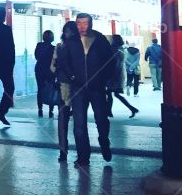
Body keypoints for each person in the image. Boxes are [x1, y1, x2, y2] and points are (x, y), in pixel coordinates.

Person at [63, 12, 114, 166]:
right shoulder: (71, 42)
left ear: (91, 23)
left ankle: (103, 140)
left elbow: (109, 61)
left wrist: (104, 79)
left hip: (97, 87)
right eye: (79, 23)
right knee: (79, 124)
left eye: (85, 23)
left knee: (101, 119)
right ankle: (83, 157)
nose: (82, 26)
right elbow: (64, 61)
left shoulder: (100, 40)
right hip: (78, 87)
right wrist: (72, 76)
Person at [51, 22, 78, 162]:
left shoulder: (60, 48)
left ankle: (63, 151)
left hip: (64, 85)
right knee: (79, 120)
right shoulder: (82, 48)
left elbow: (52, 68)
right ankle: (80, 154)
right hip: (78, 85)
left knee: (63, 119)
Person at [107, 34, 138, 118]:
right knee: (114, 94)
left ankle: (109, 111)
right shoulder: (121, 50)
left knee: (110, 93)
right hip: (119, 74)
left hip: (113, 75)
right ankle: (109, 111)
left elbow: (114, 64)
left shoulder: (114, 50)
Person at [34, 30, 56, 118]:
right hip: (49, 71)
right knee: (51, 89)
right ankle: (51, 110)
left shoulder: (39, 45)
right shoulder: (53, 48)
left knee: (40, 89)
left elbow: (36, 56)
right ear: (52, 38)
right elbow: (54, 60)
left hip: (39, 70)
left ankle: (40, 109)